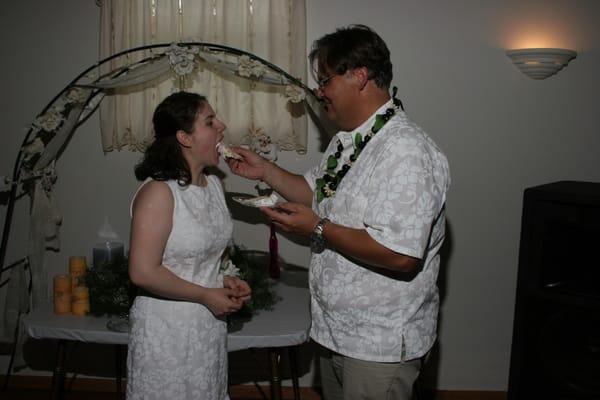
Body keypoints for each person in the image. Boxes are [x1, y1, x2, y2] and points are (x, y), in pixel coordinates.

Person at [227, 25, 450, 400]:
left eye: (325, 80)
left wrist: (318, 228)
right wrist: (265, 170)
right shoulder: (348, 142)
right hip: (338, 334)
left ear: (360, 76)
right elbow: (317, 191)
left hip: (377, 345)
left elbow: (400, 254)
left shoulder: (406, 152)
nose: (319, 92)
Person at [127, 91, 251, 400]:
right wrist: (205, 295)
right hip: (166, 331)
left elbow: (209, 256)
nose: (221, 126)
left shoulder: (214, 185)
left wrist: (226, 280)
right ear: (185, 137)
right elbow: (142, 272)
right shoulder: (158, 192)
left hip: (208, 330)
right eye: (210, 122)